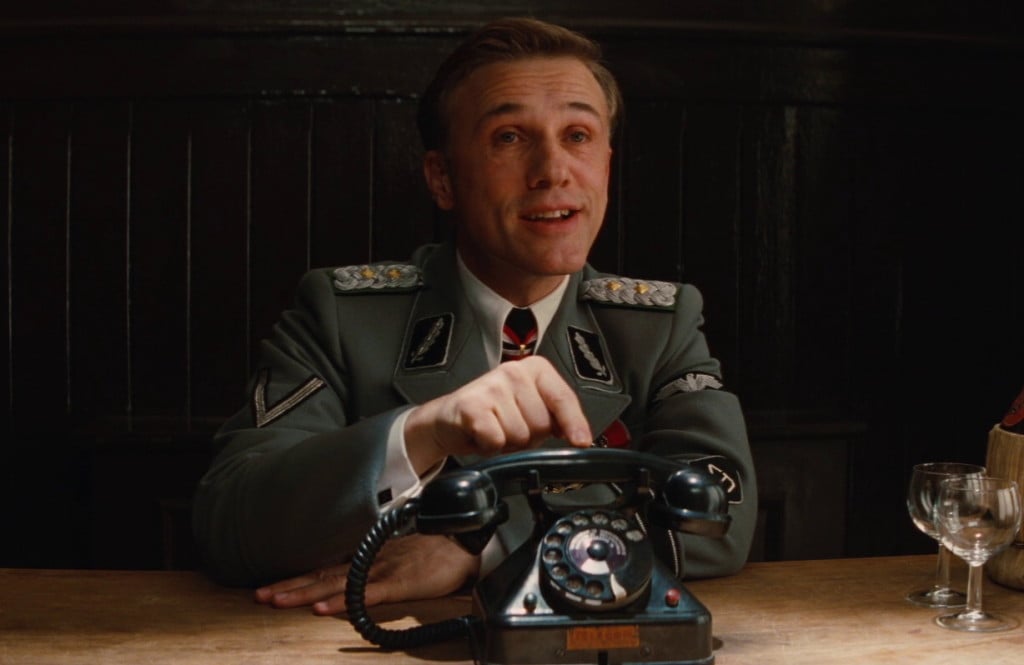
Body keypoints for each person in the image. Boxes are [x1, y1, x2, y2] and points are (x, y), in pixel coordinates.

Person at [192, 16, 757, 617]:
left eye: (578, 135)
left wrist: (484, 548)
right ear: (442, 178)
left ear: (607, 164)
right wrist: (422, 431)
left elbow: (722, 516)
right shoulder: (341, 315)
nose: (553, 171)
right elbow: (231, 523)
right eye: (510, 138)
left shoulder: (657, 324)